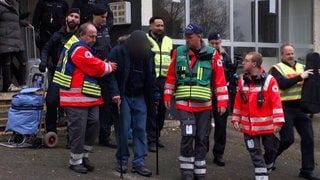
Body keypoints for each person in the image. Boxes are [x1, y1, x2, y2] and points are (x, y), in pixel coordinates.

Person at [164, 23, 228, 180]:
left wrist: (222, 102)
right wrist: (167, 95)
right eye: (185, 36)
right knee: (188, 135)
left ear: (199, 36)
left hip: (204, 106)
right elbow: (171, 76)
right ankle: (186, 171)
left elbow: (220, 80)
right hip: (184, 104)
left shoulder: (213, 54)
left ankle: (199, 170)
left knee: (201, 138)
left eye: (189, 37)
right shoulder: (178, 52)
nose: (186, 39)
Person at [52, 22, 117, 174]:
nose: (94, 39)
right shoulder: (79, 49)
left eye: (95, 36)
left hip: (88, 96)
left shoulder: (82, 48)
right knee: (78, 130)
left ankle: (84, 156)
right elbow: (94, 66)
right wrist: (108, 67)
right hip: (76, 98)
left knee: (94, 124)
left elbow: (93, 65)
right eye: (91, 36)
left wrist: (102, 65)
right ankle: (75, 161)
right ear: (81, 35)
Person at [107, 30, 160, 177]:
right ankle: (122, 159)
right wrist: (115, 93)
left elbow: (152, 75)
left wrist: (155, 94)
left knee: (140, 128)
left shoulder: (147, 54)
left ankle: (139, 162)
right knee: (122, 129)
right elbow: (110, 75)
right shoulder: (118, 52)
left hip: (140, 95)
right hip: (123, 95)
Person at [269, 43, 320, 180]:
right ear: (282, 55)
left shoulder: (303, 67)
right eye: (288, 53)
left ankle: (307, 170)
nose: (291, 56)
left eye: (292, 53)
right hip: (285, 108)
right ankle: (269, 158)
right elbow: (283, 85)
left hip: (301, 108)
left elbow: (312, 85)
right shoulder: (276, 69)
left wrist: (316, 76)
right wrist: (301, 77)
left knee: (309, 138)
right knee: (287, 139)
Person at [231, 51, 285, 180]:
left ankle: (268, 166)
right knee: (254, 151)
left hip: (267, 126)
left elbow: (276, 102)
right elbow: (238, 102)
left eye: (246, 60)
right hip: (248, 127)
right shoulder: (242, 81)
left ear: (254, 63)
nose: (243, 63)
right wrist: (235, 118)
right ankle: (261, 176)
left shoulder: (269, 80)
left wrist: (278, 122)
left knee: (271, 150)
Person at [39, 8, 81, 135]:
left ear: (79, 21)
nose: (73, 18)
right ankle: (51, 133)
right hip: (58, 75)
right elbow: (46, 49)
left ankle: (72, 137)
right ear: (66, 18)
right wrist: (44, 61)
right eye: (71, 16)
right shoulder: (57, 35)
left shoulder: (80, 36)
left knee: (73, 107)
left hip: (75, 76)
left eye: (76, 17)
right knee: (51, 101)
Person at [207, 32, 236, 166]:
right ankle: (202, 150)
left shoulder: (226, 57)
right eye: (212, 43)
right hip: (206, 94)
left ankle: (219, 154)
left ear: (220, 42)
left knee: (220, 126)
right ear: (208, 43)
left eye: (216, 43)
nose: (214, 46)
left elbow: (229, 77)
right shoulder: (204, 54)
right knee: (205, 125)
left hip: (221, 95)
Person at [146, 16, 173, 152]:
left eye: (162, 25)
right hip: (150, 79)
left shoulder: (168, 41)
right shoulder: (145, 39)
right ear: (150, 26)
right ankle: (151, 139)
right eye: (157, 25)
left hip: (165, 80)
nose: (160, 28)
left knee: (162, 110)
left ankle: (157, 135)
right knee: (151, 110)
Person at [90, 5, 116, 148]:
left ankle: (104, 137)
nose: (105, 19)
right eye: (102, 17)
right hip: (93, 74)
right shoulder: (88, 30)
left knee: (106, 106)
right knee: (92, 107)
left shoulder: (105, 29)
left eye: (106, 17)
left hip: (106, 73)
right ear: (95, 16)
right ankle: (89, 138)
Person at [0, 0, 29, 92]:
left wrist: (25, 23)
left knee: (23, 61)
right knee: (7, 62)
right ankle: (7, 86)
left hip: (17, 38)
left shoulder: (15, 4)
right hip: (5, 38)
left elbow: (16, 19)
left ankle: (22, 84)